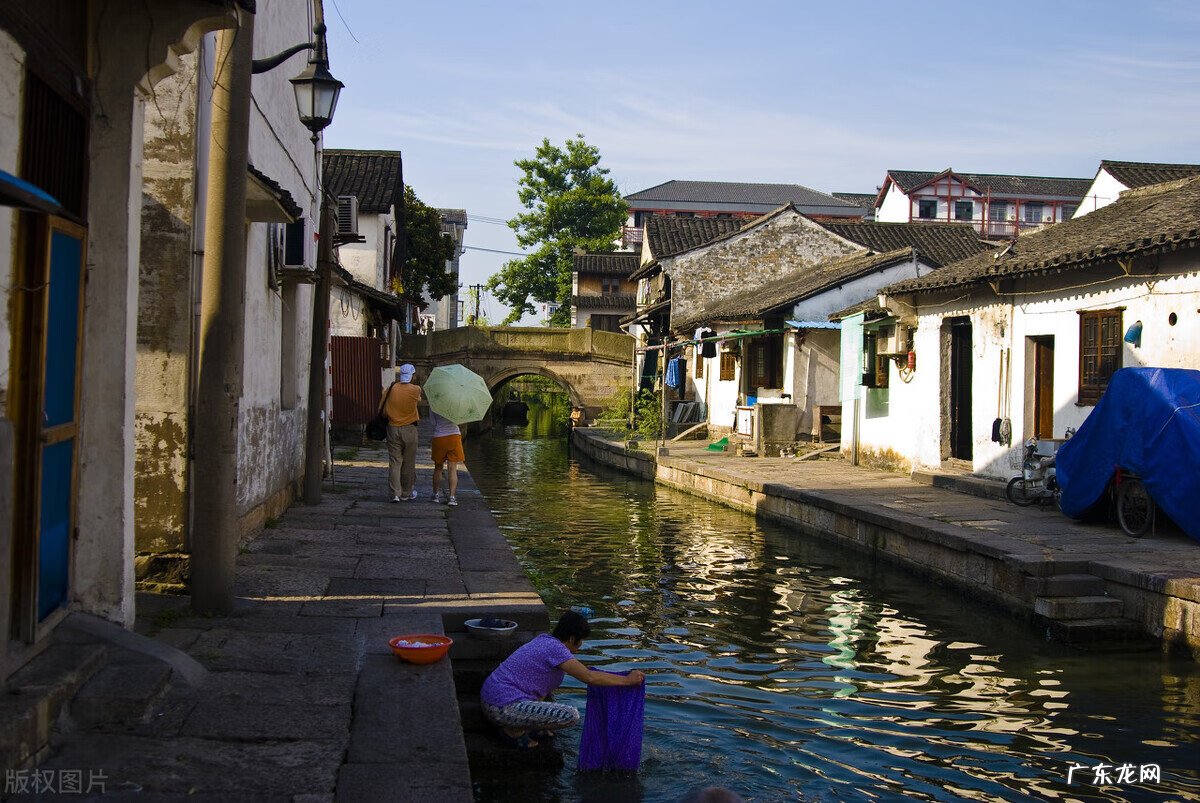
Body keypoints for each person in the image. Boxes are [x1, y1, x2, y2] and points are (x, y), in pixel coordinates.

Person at [480, 610, 645, 749]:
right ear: (573, 639)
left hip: (490, 699)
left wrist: (541, 723)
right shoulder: (557, 650)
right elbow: (589, 677)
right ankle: (513, 733)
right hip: (501, 708)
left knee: (548, 709)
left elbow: (539, 689)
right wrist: (627, 680)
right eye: (579, 643)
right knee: (571, 715)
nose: (578, 649)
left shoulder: (543, 640)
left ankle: (523, 727)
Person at [382, 363, 422, 502]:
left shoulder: (391, 389)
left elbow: (382, 408)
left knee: (395, 462)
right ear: (412, 376)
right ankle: (406, 492)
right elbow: (418, 401)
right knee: (408, 462)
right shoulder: (416, 390)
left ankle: (395, 494)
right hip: (409, 429)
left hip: (392, 428)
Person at [430, 409, 464, 506]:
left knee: (438, 468)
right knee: (452, 468)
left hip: (439, 436)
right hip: (454, 436)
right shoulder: (456, 403)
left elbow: (433, 422)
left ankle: (435, 495)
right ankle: (452, 498)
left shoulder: (434, 404)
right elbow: (460, 420)